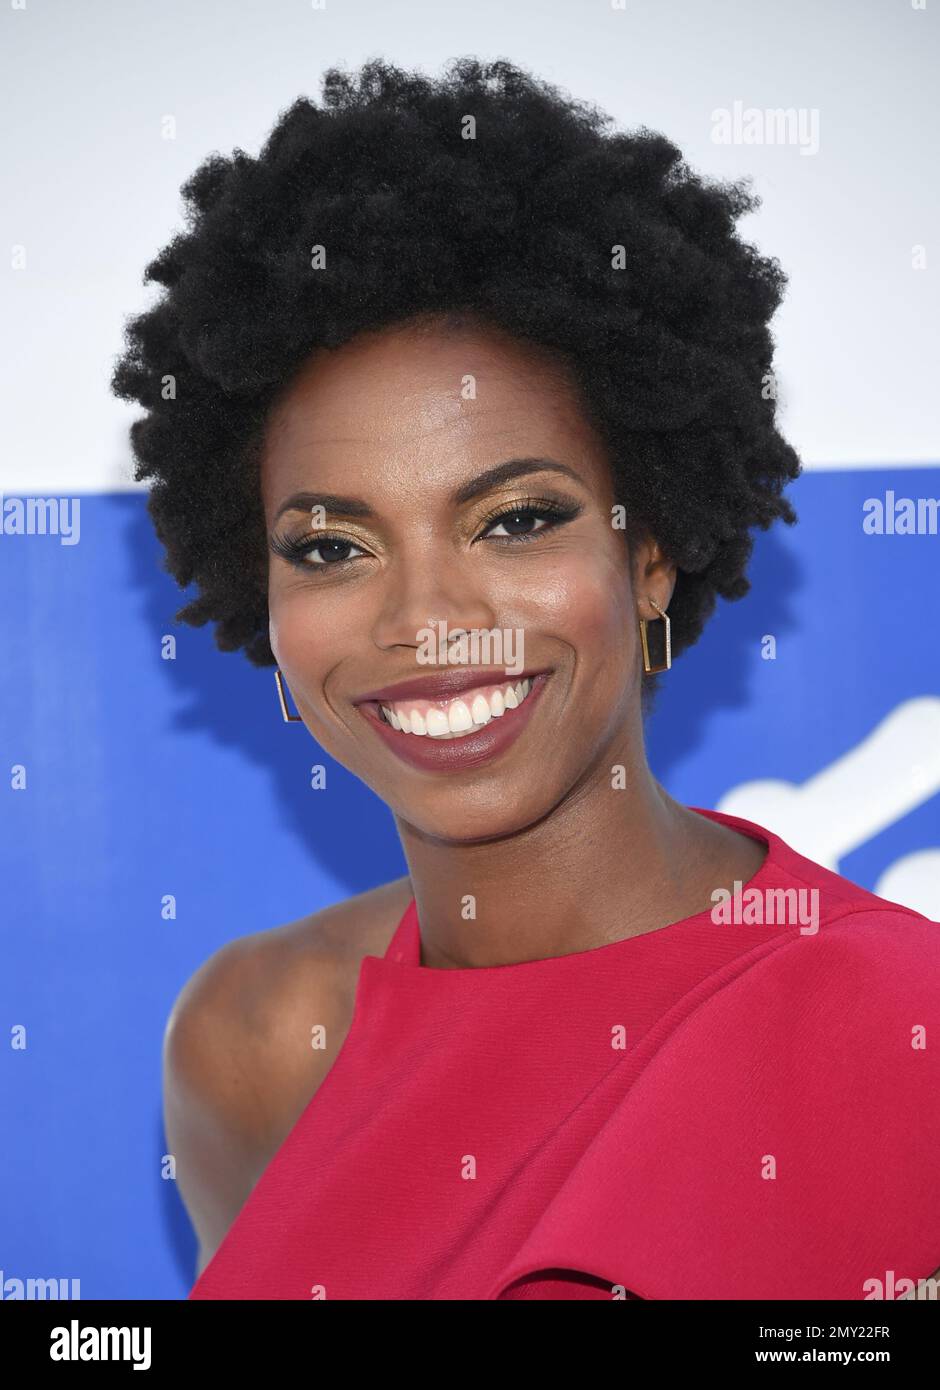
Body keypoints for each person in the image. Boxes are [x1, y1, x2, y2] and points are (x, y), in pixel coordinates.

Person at [111, 57, 940, 1300]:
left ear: (648, 552)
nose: (428, 619)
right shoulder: (255, 1036)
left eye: (513, 520)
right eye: (333, 546)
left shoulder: (894, 1032)